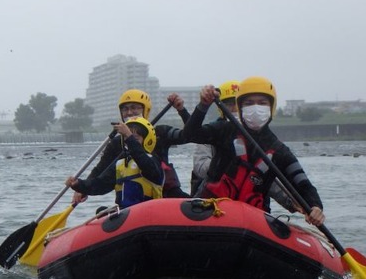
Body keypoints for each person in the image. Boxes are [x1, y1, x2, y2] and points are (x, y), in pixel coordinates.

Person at [183, 76, 325, 226]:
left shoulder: (278, 150)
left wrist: (315, 206)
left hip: (250, 223)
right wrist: (203, 106)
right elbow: (190, 134)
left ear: (271, 107)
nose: (255, 108)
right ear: (241, 107)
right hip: (211, 213)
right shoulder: (224, 131)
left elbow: (301, 181)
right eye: (249, 103)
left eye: (262, 103)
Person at [72, 89, 192, 204]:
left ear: (146, 110)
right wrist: (82, 187)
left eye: (134, 108)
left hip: (166, 196)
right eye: (125, 109)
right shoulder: (116, 143)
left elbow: (190, 135)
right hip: (133, 200)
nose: (129, 112)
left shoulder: (160, 133)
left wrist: (181, 110)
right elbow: (101, 170)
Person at [66, 117, 163, 209]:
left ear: (147, 140)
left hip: (148, 213)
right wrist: (78, 184)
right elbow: (100, 184)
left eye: (135, 138)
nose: (128, 141)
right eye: (125, 138)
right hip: (126, 214)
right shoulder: (120, 164)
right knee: (101, 211)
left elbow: (145, 163)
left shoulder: (153, 161)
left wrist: (129, 136)